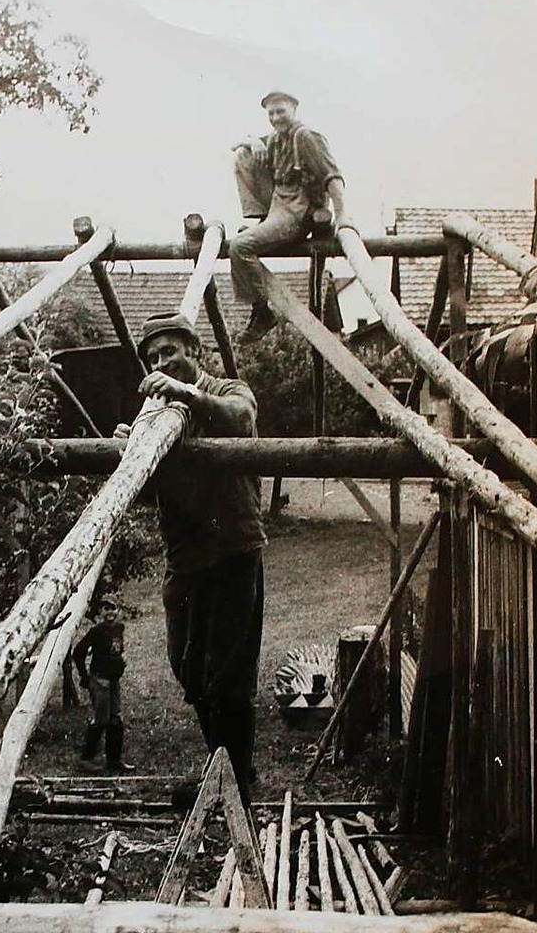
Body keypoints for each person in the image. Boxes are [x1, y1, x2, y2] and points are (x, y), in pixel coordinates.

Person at [115, 312, 266, 803]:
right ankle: (224, 770)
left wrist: (186, 395)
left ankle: (235, 781)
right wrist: (131, 450)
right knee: (187, 668)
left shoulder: (226, 389)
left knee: (228, 675)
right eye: (154, 357)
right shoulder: (157, 412)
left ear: (194, 352)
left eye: (170, 352)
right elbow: (146, 493)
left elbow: (241, 422)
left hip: (232, 552)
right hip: (185, 560)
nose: (162, 363)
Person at [230, 90, 358, 343]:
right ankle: (260, 220)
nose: (276, 118)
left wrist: (343, 217)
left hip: (298, 211)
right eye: (271, 113)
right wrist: (252, 141)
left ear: (294, 110)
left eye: (281, 111)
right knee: (242, 155)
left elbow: (333, 176)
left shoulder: (305, 137)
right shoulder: (277, 139)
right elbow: (235, 144)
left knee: (240, 246)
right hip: (277, 204)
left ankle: (262, 312)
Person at [73, 593, 133, 774]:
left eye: (113, 608)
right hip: (100, 680)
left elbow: (116, 651)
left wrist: (121, 662)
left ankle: (114, 760)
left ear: (118, 611)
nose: (110, 613)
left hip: (114, 681)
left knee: (116, 719)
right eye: (106, 608)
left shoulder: (119, 628)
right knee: (101, 720)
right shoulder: (96, 631)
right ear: (100, 611)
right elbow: (78, 652)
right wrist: (85, 677)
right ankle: (86, 759)